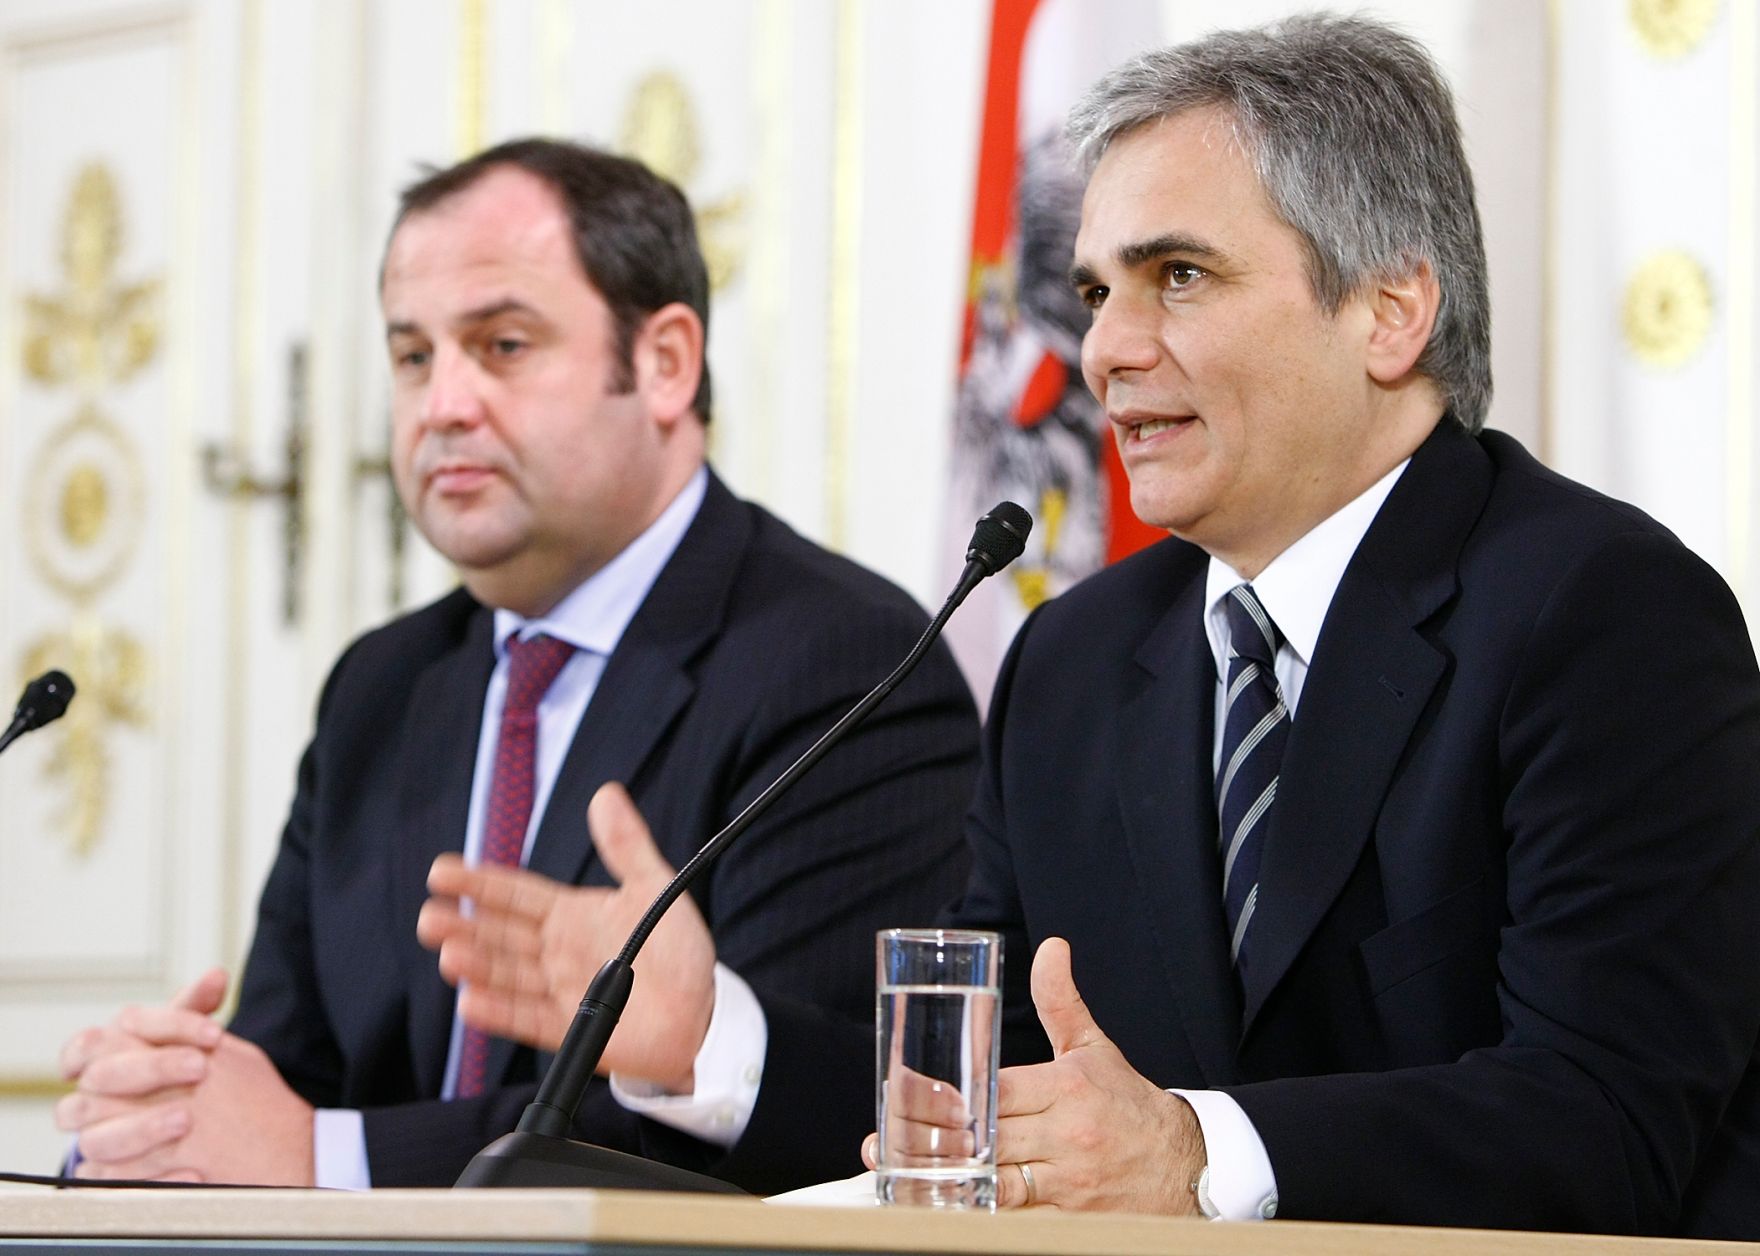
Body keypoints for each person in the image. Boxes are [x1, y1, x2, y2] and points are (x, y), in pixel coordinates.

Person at [429, 16, 1760, 1238]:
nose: (1102, 348)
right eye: (1097, 288)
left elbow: (1608, 1113)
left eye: (1177, 277)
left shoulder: (1603, 611)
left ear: (1390, 307)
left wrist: (1198, 1151)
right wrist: (712, 1043)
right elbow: (983, 1110)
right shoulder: (1069, 661)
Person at [51, 138, 980, 1193]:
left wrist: (323, 1157)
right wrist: (170, 1113)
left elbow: (813, 1124)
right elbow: (287, 1072)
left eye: (500, 345)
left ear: (665, 362)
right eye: (411, 355)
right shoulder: (382, 685)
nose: (442, 403)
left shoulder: (844, 660)